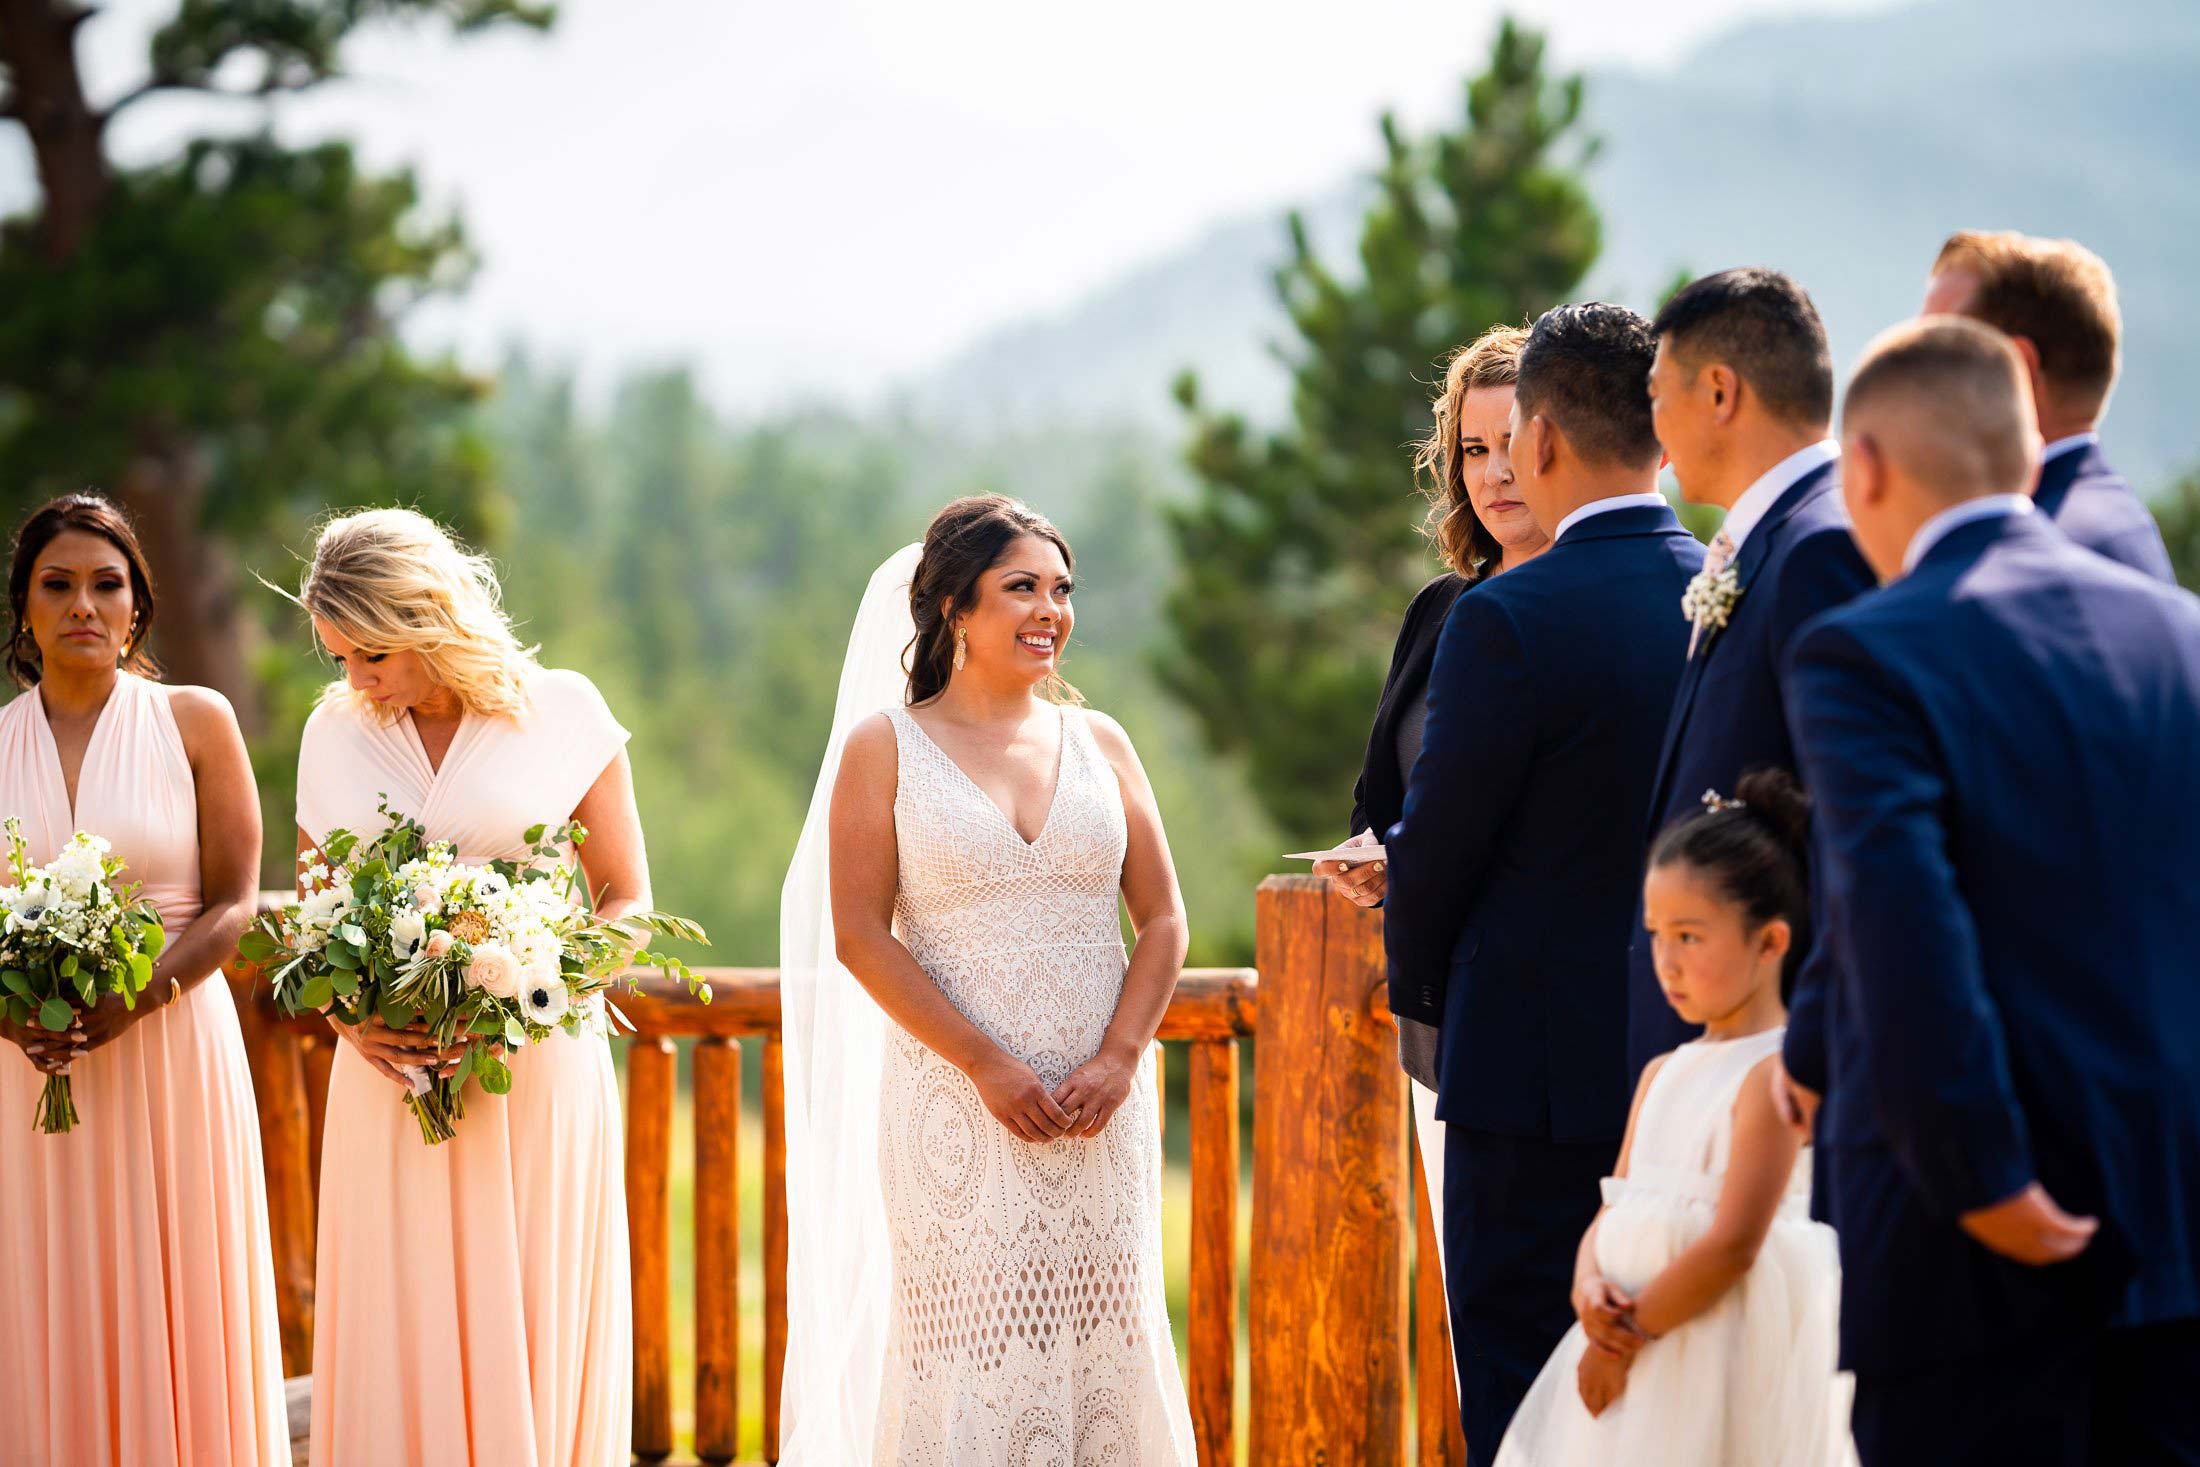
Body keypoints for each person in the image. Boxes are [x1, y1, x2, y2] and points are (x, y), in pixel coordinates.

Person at [1785, 316, 2200, 1465]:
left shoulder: (1868, 650)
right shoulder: (2182, 632)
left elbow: (1901, 919)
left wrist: (1978, 1174)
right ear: (2024, 454)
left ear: (1859, 466)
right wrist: (1810, 1047)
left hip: (1974, 1249)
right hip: (2173, 1214)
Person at [1385, 302, 1706, 1461]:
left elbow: (1435, 853)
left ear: (1543, 441)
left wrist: (1425, 1000)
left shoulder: (1509, 618)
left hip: (1525, 1082)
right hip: (1695, 1065)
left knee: (1526, 1400)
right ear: (1661, 434)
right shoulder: (1728, 589)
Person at [823, 496, 1195, 1462]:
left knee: (1107, 1338)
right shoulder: (884, 748)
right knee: (977, 1349)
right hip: (957, 1111)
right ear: (953, 606)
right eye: (1020, 587)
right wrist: (985, 1063)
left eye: (1062, 589)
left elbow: (1162, 919)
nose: (1050, 611)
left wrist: (1120, 1058)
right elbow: (860, 935)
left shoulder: (1102, 742)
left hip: (1099, 1110)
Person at [294, 508, 644, 1464]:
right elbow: (312, 921)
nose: (357, 681)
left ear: (425, 616)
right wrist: (353, 1026)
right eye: (340, 661)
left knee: (530, 1300)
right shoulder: (334, 735)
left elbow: (628, 902)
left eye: (370, 654)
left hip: (536, 1064)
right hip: (388, 1078)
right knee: (400, 1308)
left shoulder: (562, 709)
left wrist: (536, 987)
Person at [0, 493, 289, 1466]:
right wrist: (16, 1021)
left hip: (171, 1046)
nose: (84, 602)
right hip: (29, 1065)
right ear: (25, 609)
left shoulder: (193, 720)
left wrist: (135, 1002)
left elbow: (235, 903)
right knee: (50, 1289)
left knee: (181, 1290)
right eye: (59, 584)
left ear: (136, 607)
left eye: (106, 583)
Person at [1497, 769, 1854, 1467]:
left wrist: (1619, 1343)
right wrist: (1585, 1286)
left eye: (1691, 936)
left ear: (1771, 941)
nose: (1667, 960)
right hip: (1633, 1346)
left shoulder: (1774, 1073)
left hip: (1716, 1350)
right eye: (1657, 934)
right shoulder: (1664, 1070)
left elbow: (1734, 1243)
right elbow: (1613, 1203)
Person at [1318, 322, 1547, 1297]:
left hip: (1566, 1023)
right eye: (1470, 449)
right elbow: (1385, 794)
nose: (1493, 473)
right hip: (1442, 1025)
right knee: (1474, 1317)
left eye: (1514, 446)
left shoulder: (1633, 601)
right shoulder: (1440, 612)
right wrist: (1379, 859)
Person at [1634, 267, 1874, 1082]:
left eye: (1658, 391)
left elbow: (1843, 821)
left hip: (1768, 1056)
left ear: (1719, 392)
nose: (1652, 424)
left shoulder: (1821, 549)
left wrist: (1804, 1052)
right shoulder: (1775, 540)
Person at [1921, 230, 2174, 581]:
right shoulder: (2116, 518)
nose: (1915, 374)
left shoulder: (2025, 556)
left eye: (1939, 347)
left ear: (2017, 369)